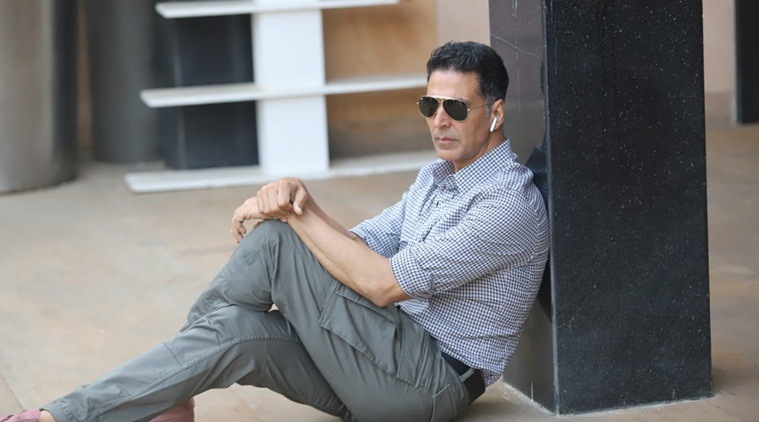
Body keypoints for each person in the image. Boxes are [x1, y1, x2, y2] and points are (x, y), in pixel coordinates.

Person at [3, 40, 549, 422]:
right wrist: (299, 201)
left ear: (496, 113)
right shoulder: (434, 177)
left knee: (277, 239)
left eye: (456, 108)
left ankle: (156, 394)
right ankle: (82, 413)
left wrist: (292, 212)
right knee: (236, 330)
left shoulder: (507, 204)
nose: (439, 120)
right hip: (371, 360)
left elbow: (383, 284)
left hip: (425, 385)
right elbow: (357, 248)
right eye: (429, 105)